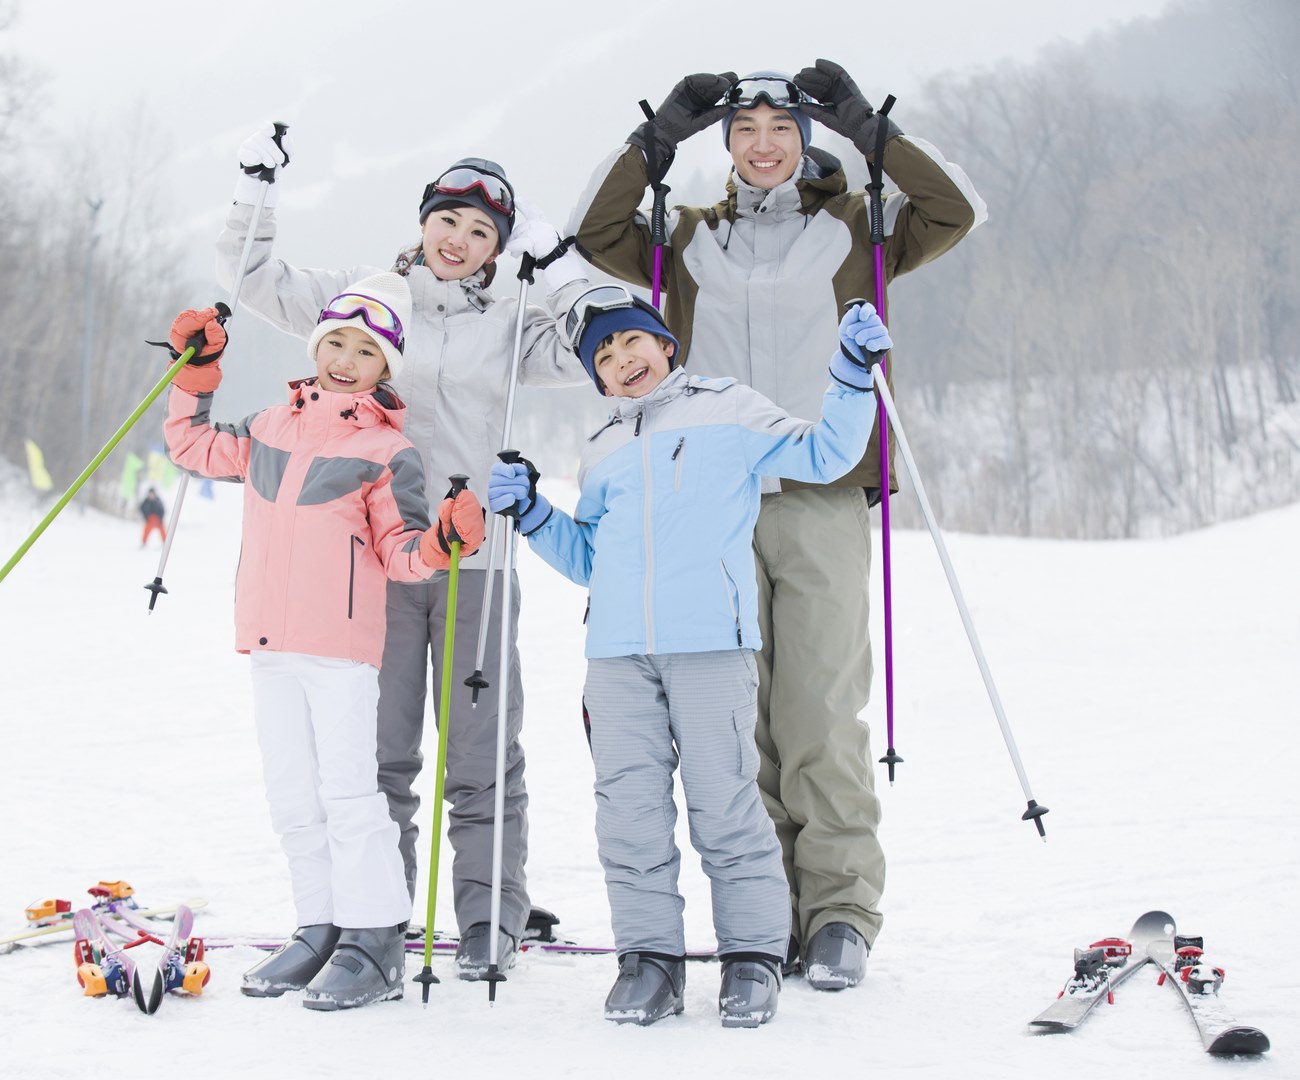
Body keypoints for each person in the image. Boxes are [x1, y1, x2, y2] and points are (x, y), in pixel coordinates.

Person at [569, 62, 987, 989]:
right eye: (745, 129)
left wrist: (869, 132)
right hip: (705, 501)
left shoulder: (854, 226)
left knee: (818, 709)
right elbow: (594, 229)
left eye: (783, 129)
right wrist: (654, 143)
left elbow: (953, 211)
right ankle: (770, 913)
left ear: (805, 141)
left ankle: (839, 909)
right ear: (724, 147)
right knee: (736, 717)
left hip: (821, 487)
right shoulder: (682, 240)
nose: (764, 144)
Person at [216, 128, 595, 979]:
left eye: (481, 233)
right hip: (367, 565)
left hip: (476, 561)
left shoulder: (511, 318)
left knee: (481, 753)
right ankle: (367, 923)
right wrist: (256, 190)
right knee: (376, 757)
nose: (457, 241)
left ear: (500, 249)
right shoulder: (360, 299)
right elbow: (250, 280)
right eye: (447, 220)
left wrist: (561, 262)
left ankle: (490, 918)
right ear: (423, 221)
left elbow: (602, 350)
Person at [488, 288, 889, 1025]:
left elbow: (827, 453)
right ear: (598, 380)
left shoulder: (727, 408)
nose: (621, 361)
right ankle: (650, 960)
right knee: (628, 813)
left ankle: (752, 955)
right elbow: (590, 559)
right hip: (615, 658)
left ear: (665, 345)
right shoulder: (602, 446)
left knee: (726, 804)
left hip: (709, 646)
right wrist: (534, 513)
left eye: (630, 342)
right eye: (602, 358)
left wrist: (851, 376)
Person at [160, 273, 487, 1010]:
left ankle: (374, 940)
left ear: (385, 367)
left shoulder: (387, 450)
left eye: (366, 350)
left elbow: (401, 552)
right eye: (336, 341)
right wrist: (196, 374)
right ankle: (320, 925)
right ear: (316, 348)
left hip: (339, 648)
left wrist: (441, 544)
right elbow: (189, 445)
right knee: (291, 797)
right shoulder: (269, 427)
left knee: (349, 793)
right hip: (270, 643)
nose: (345, 358)